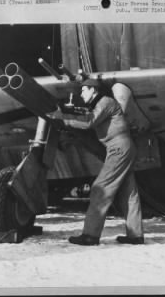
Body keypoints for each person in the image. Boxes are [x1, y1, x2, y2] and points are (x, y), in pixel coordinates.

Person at [46, 79, 144, 246]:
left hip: (118, 148)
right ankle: (135, 235)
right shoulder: (102, 104)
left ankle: (90, 235)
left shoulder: (105, 102)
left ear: (94, 90)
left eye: (84, 90)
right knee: (129, 193)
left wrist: (62, 118)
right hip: (123, 147)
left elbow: (88, 122)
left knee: (100, 189)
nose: (82, 94)